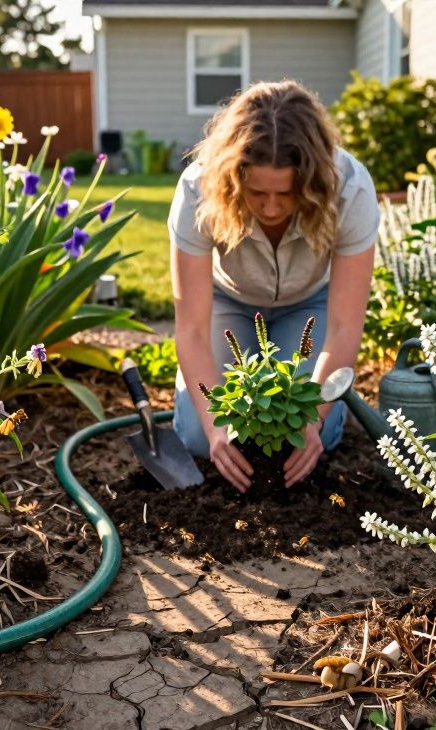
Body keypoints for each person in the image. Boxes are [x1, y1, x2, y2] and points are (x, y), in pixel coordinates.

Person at [168, 80, 379, 492]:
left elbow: (344, 327)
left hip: (309, 307)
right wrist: (214, 429)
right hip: (229, 303)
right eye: (256, 192)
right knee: (198, 436)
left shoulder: (350, 189)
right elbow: (191, 329)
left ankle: (332, 417)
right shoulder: (198, 190)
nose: (269, 207)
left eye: (285, 193)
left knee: (306, 433)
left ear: (311, 182)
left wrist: (314, 419)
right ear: (233, 180)